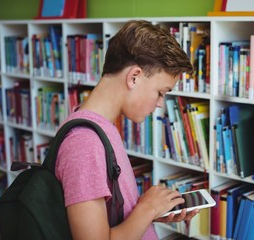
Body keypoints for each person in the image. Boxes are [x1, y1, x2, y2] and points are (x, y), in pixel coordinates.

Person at [55, 20, 197, 240]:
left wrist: (154, 212)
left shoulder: (102, 127)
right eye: (161, 92)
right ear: (134, 77)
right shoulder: (84, 143)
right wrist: (147, 209)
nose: (160, 103)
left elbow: (113, 218)